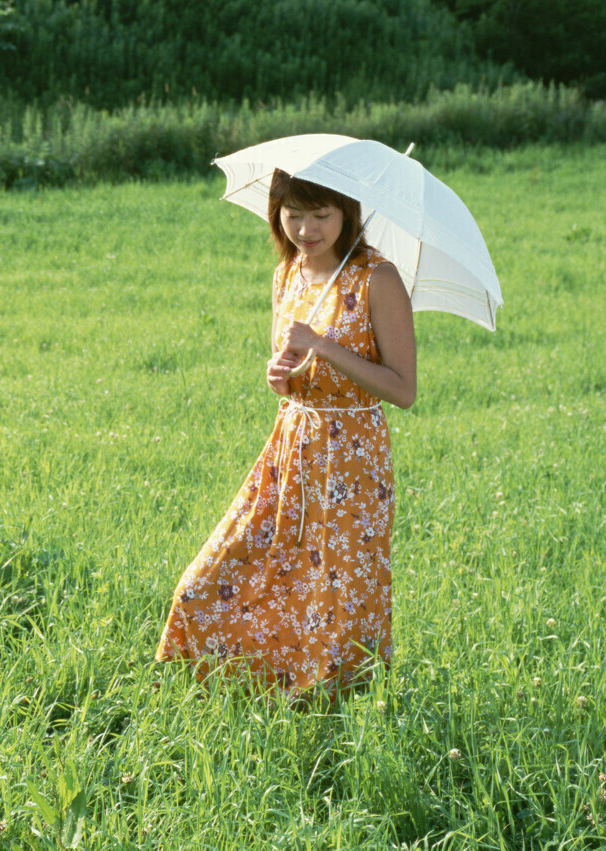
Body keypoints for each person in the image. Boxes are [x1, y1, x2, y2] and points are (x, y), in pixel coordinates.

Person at [154, 168, 417, 701]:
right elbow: (288, 361)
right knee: (215, 575)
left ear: (348, 212)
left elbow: (403, 388)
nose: (306, 228)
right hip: (291, 444)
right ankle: (264, 682)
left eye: (321, 214)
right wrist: (279, 372)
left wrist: (323, 345)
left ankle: (333, 704)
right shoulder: (287, 273)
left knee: (336, 589)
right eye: (292, 213)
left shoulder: (376, 278)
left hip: (351, 457)